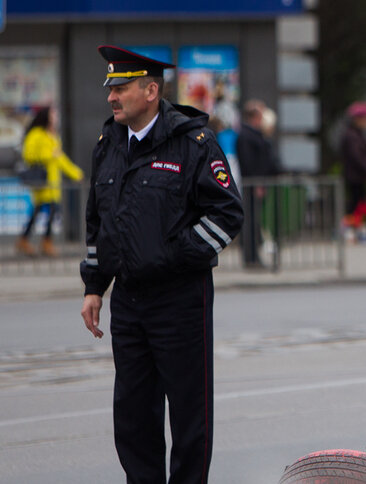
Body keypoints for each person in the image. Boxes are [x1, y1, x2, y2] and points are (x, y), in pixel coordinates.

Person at [79, 45, 243, 484]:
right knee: (132, 418)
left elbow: (228, 214)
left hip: (180, 300)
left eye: (123, 87)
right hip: (129, 303)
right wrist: (94, 285)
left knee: (190, 418)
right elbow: (98, 220)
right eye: (110, 88)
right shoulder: (108, 143)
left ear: (151, 90)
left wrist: (177, 255)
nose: (112, 97)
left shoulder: (193, 143)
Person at [16, 106, 83, 257]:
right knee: (47, 211)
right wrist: (49, 154)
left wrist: (76, 173)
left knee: (47, 211)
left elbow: (61, 159)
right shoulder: (36, 134)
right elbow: (29, 154)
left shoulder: (52, 135)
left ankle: (35, 241)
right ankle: (37, 241)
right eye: (53, 115)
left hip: (53, 182)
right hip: (42, 181)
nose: (56, 118)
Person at [235, 99, 280, 267]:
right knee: (251, 222)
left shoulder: (254, 134)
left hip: (256, 184)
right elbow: (249, 164)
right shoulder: (246, 136)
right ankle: (251, 258)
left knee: (255, 221)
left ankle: (254, 257)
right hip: (252, 185)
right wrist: (257, 184)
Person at [340, 101, 366, 216]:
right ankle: (352, 227)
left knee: (358, 204)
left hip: (358, 177)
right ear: (358, 120)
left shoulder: (355, 134)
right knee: (357, 205)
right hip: (355, 178)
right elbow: (357, 157)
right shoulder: (353, 136)